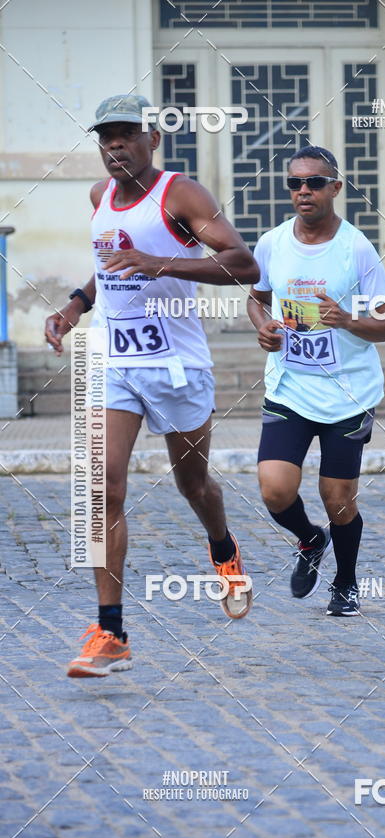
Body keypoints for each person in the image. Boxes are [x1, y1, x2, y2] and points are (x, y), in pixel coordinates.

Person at [45, 95, 259, 677]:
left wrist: (159, 263)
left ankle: (223, 548)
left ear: (151, 140)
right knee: (103, 486)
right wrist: (74, 306)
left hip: (178, 368)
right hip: (117, 364)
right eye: (105, 138)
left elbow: (243, 264)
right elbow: (108, 263)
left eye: (125, 136)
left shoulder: (181, 195)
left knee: (194, 486)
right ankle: (110, 632)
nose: (114, 147)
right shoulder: (99, 198)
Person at [247, 146, 385, 617]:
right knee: (274, 489)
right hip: (290, 387)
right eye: (294, 183)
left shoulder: (355, 248)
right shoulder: (272, 243)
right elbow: (256, 298)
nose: (303, 191)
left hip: (347, 394)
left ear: (335, 187)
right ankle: (311, 540)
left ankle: (346, 583)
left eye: (314, 182)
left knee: (338, 497)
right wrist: (263, 326)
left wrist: (349, 319)